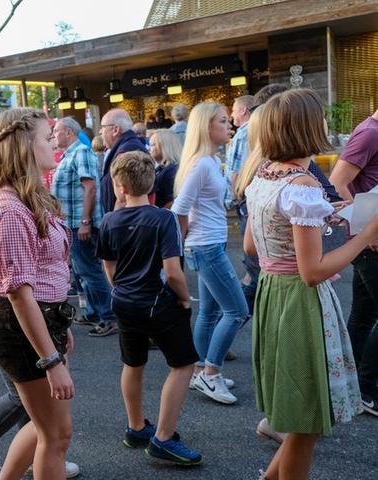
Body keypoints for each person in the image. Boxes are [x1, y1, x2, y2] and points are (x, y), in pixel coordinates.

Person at [244, 89, 375, 480]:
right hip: (299, 301)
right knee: (307, 420)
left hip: (272, 292)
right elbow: (312, 271)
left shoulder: (265, 173)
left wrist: (324, 219)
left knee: (301, 415)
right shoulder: (303, 183)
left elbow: (252, 245)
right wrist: (367, 234)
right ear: (307, 127)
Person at [0, 107, 75, 479]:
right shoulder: (11, 208)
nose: (54, 142)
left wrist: (59, 330)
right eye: (46, 137)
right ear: (23, 146)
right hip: (21, 325)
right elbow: (19, 294)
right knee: (56, 434)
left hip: (40, 318)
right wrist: (50, 361)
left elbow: (48, 273)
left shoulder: (31, 196)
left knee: (43, 427)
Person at [99, 151, 201, 465]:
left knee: (133, 363)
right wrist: (184, 298)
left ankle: (136, 426)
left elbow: (109, 265)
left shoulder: (109, 220)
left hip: (125, 301)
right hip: (157, 302)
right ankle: (164, 437)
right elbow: (172, 271)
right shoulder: (162, 219)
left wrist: (120, 289)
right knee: (183, 364)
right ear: (151, 184)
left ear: (119, 187)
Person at [171, 103, 250, 405]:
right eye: (221, 121)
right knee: (237, 311)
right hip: (206, 246)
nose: (228, 124)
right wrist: (184, 241)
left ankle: (199, 370)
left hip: (208, 244)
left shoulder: (209, 160)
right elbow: (179, 208)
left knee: (210, 312)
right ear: (206, 127)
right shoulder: (202, 163)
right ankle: (210, 373)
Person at [329, 108, 378, 416]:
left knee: (363, 314)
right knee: (365, 314)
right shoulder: (370, 133)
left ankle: (353, 385)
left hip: (368, 239)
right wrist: (362, 228)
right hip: (369, 241)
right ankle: (366, 387)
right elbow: (337, 181)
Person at [51, 117, 115, 336]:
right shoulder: (71, 153)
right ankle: (94, 312)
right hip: (72, 223)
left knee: (90, 271)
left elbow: (90, 188)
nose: (53, 134)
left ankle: (107, 316)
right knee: (81, 271)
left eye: (56, 130)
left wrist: (85, 222)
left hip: (80, 223)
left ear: (69, 132)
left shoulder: (80, 152)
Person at [99, 109, 147, 214]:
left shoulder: (126, 152)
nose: (100, 131)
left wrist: (114, 220)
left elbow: (124, 196)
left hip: (127, 222)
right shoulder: (127, 146)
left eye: (103, 127)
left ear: (115, 130)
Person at [149, 129, 180, 209]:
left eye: (152, 145)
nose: (149, 148)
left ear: (164, 146)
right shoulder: (166, 168)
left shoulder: (171, 171)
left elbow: (173, 201)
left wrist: (159, 215)